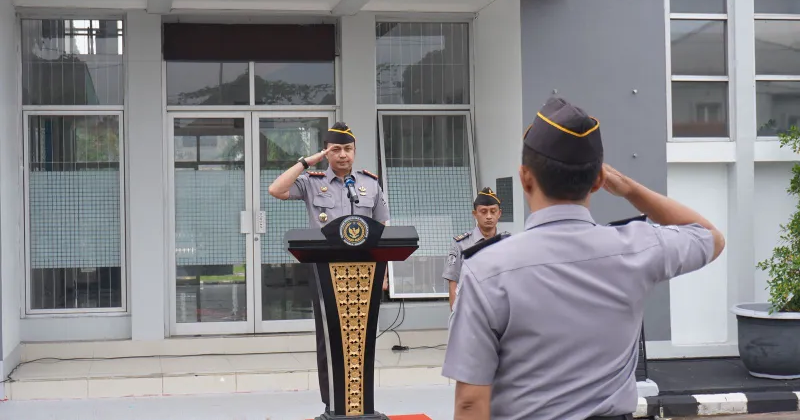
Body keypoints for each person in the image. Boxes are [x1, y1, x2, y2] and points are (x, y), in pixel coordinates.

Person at [441, 97, 725, 420]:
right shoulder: (638, 248)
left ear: (525, 178)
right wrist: (629, 189)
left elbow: (470, 402)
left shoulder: (486, 270)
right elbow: (711, 237)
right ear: (599, 181)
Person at [267, 121, 390, 414]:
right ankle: (333, 402)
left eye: (348, 149)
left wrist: (384, 272)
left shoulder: (370, 183)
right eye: (336, 149)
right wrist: (306, 162)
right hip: (325, 271)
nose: (343, 155)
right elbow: (276, 189)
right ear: (326, 152)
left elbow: (384, 226)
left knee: (361, 336)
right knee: (329, 336)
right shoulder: (312, 181)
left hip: (365, 273)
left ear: (355, 151)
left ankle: (361, 402)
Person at [442, 187, 509, 310]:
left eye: (493, 211)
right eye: (483, 212)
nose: (489, 216)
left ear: (499, 213)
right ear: (475, 214)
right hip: (471, 309)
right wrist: (456, 314)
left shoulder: (508, 243)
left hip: (501, 308)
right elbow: (453, 283)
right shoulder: (461, 244)